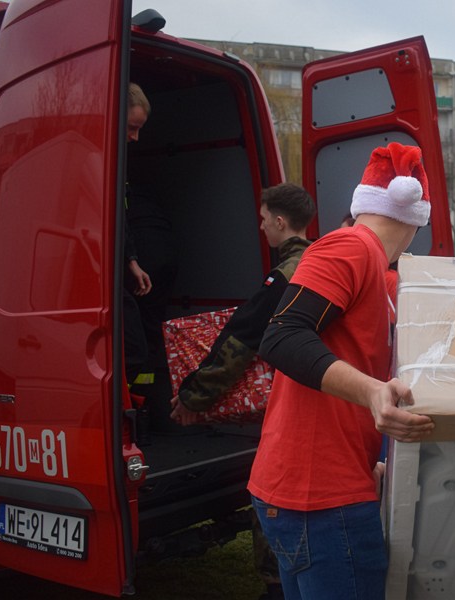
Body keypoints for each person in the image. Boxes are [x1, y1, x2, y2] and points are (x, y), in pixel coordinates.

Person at [250, 142, 435, 600]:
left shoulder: (371, 260)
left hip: (320, 489)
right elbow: (282, 337)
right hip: (321, 497)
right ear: (417, 217)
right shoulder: (351, 245)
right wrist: (372, 392)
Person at [167, 182, 315, 600]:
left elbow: (240, 341)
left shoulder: (284, 275)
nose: (261, 227)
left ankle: (276, 586)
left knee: (273, 492)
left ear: (280, 221)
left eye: (264, 219)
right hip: (320, 399)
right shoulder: (319, 262)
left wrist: (192, 397)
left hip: (291, 408)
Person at [122, 83, 152, 386]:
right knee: (134, 350)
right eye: (132, 127)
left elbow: (121, 219)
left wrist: (131, 260)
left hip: (122, 264)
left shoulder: (118, 164)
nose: (135, 137)